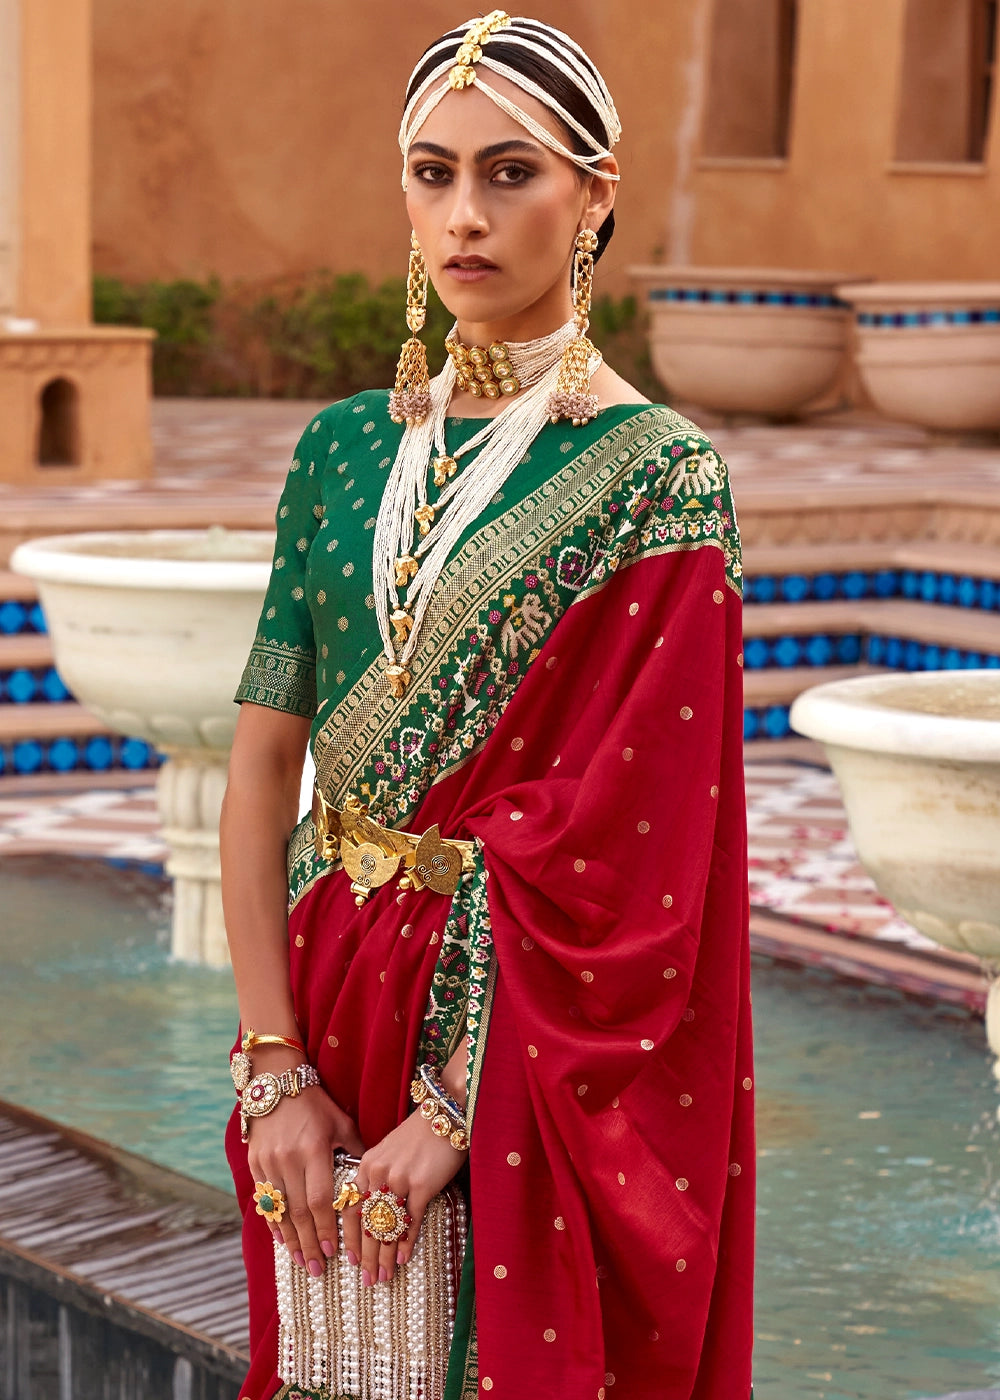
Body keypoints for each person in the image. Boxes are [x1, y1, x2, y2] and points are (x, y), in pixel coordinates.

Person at [221, 12, 754, 1400]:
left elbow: (644, 853)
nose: (464, 214)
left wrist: (460, 1107)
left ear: (595, 195)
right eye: (433, 172)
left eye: (510, 173)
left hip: (521, 1039)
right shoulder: (343, 448)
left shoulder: (660, 478)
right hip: (324, 994)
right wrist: (273, 1068)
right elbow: (264, 764)